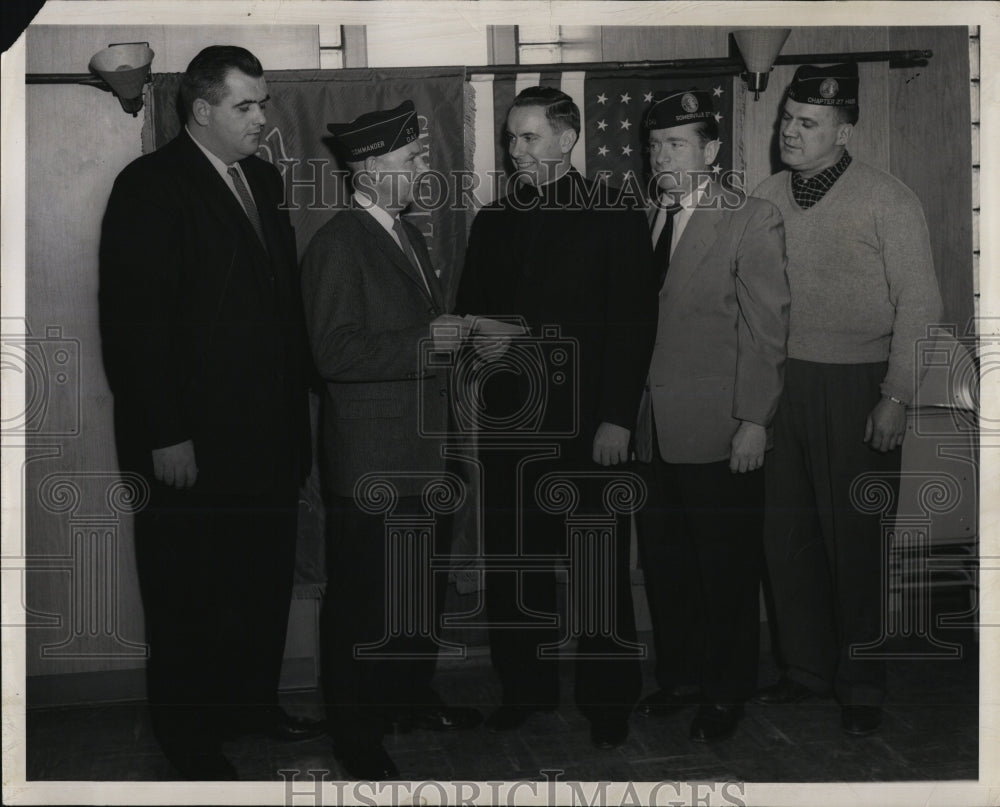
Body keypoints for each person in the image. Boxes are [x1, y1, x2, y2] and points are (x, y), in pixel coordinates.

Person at [98, 45, 321, 780]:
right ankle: (190, 737)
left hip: (265, 436)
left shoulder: (259, 177)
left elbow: (279, 307)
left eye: (264, 103)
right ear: (200, 110)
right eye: (245, 106)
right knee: (189, 591)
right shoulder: (151, 186)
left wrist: (298, 422)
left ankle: (250, 706)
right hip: (188, 443)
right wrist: (166, 432)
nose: (262, 119)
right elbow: (135, 325)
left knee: (257, 583)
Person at [455, 86, 658, 749]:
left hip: (590, 427)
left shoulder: (615, 213)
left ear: (569, 141)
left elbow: (632, 327)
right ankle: (525, 689)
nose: (517, 151)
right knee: (516, 566)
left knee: (598, 568)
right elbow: (469, 319)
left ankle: (608, 699)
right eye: (511, 139)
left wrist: (616, 418)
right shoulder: (493, 220)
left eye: (530, 137)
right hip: (512, 425)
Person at [751, 63, 943, 735]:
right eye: (786, 120)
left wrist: (897, 394)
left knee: (856, 542)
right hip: (780, 386)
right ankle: (804, 670)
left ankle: (860, 679)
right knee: (787, 536)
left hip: (860, 387)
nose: (790, 134)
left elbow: (921, 303)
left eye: (808, 123)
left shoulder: (887, 198)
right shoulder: (765, 195)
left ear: (844, 128)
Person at [301, 100, 482, 781]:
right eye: (410, 160)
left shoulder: (401, 231)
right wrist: (423, 341)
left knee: (415, 595)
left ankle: (409, 698)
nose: (421, 168)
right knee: (361, 606)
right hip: (374, 464)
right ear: (369, 168)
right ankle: (356, 733)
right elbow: (332, 352)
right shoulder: (338, 243)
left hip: (424, 455)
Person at [632, 89, 790, 742]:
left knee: (723, 568)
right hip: (652, 429)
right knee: (666, 564)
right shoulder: (646, 214)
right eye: (653, 145)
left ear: (711, 151)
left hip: (720, 427)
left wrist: (754, 418)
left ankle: (727, 690)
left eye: (674, 144)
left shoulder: (750, 219)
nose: (659, 156)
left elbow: (767, 328)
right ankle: (682, 677)